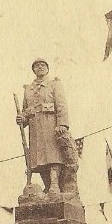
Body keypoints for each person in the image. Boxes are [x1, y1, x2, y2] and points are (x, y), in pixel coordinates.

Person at [16, 58, 79, 198]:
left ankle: (55, 185)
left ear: (47, 68)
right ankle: (47, 185)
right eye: (37, 66)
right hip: (35, 129)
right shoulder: (28, 90)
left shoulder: (54, 84)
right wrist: (22, 118)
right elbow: (25, 110)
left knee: (53, 156)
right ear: (33, 70)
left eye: (43, 65)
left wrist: (62, 124)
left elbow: (61, 104)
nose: (40, 67)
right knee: (39, 159)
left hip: (50, 126)